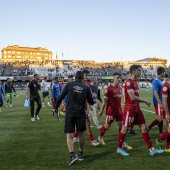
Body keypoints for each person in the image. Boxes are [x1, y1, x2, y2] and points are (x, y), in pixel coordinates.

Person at [117, 65, 164, 156]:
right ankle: (119, 148)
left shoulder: (135, 82)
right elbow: (132, 97)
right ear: (133, 71)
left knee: (144, 128)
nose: (140, 72)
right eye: (138, 70)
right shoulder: (128, 82)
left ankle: (152, 149)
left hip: (137, 109)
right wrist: (145, 101)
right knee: (124, 129)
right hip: (129, 109)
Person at [55, 71, 94, 166]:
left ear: (75, 77)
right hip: (81, 112)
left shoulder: (69, 84)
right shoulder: (86, 87)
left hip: (70, 112)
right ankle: (80, 153)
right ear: (82, 78)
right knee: (81, 134)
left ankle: (72, 155)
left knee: (69, 134)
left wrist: (55, 108)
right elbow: (91, 102)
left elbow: (60, 97)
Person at [98, 72, 132, 150]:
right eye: (117, 77)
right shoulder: (109, 89)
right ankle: (100, 137)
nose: (119, 79)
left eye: (120, 78)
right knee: (107, 125)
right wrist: (101, 111)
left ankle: (122, 142)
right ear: (113, 78)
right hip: (111, 111)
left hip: (119, 111)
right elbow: (104, 101)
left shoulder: (120, 88)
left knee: (122, 126)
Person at [73, 70, 100, 146]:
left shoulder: (87, 84)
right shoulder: (77, 84)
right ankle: (92, 140)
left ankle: (75, 137)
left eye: (88, 75)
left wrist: (94, 98)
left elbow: (89, 94)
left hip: (84, 107)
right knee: (87, 123)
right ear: (82, 75)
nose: (88, 77)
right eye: (86, 75)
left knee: (79, 123)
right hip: (78, 107)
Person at [148, 67, 165, 136]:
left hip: (161, 102)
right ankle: (149, 128)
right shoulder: (156, 81)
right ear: (162, 72)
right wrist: (159, 102)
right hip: (158, 103)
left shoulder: (160, 80)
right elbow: (155, 92)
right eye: (164, 72)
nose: (164, 73)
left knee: (161, 117)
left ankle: (160, 131)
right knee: (160, 118)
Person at [156, 74, 170, 152]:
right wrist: (167, 114)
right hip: (168, 111)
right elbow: (164, 101)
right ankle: (159, 140)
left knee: (169, 129)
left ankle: (168, 147)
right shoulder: (165, 86)